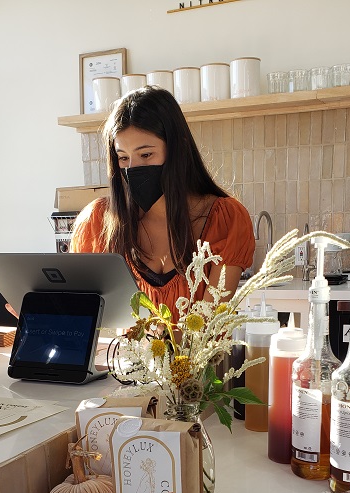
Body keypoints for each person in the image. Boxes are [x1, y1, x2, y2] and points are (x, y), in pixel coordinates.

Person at [70, 85, 255, 320]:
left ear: (178, 149)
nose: (133, 169)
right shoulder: (98, 221)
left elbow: (207, 326)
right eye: (123, 158)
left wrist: (153, 336)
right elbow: (83, 314)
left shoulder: (225, 219)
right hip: (124, 348)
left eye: (146, 155)